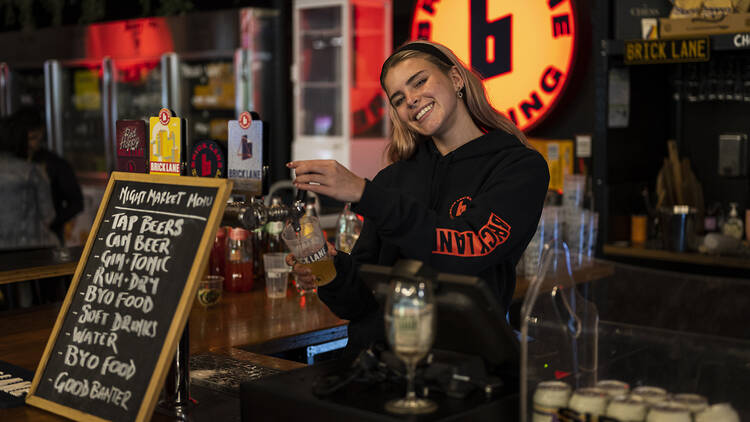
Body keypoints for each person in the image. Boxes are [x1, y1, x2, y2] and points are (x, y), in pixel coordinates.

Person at [287, 41, 550, 353]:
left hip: (461, 375)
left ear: (455, 78)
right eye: (398, 98)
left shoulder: (518, 167)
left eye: (419, 81)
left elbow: (468, 251)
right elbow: (360, 303)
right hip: (374, 371)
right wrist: (330, 270)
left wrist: (364, 193)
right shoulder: (394, 179)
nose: (411, 100)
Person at [10, 107, 83, 245]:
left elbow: (76, 203)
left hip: (47, 240)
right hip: (14, 240)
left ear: (42, 132)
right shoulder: (9, 164)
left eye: (33, 138)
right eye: (26, 138)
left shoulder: (54, 164)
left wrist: (50, 222)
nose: (29, 144)